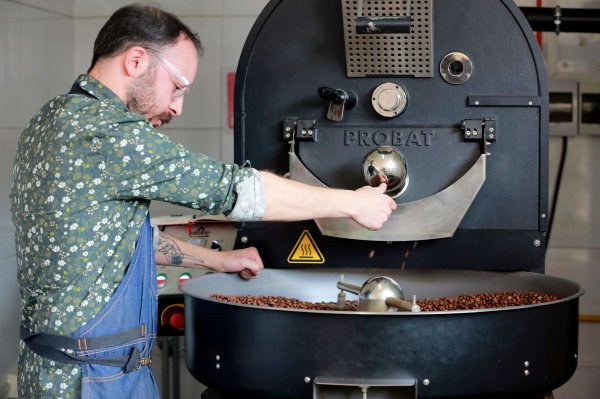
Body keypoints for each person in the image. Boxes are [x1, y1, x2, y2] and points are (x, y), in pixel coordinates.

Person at [10, 4, 396, 399]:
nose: (177, 107)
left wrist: (219, 260)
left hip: (56, 369)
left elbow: (116, 239)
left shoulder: (53, 119)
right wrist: (352, 203)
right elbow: (238, 190)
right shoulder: (107, 134)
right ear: (137, 60)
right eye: (178, 87)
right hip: (93, 380)